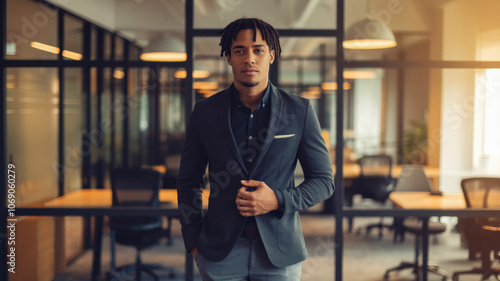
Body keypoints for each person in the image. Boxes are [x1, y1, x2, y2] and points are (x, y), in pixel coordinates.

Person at [177, 17, 334, 280]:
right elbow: (188, 180)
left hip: (280, 251)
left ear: (271, 55)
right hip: (219, 252)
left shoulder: (300, 111)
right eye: (239, 51)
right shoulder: (204, 112)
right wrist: (193, 241)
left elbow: (324, 181)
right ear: (229, 57)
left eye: (258, 50)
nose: (249, 58)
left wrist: (278, 200)